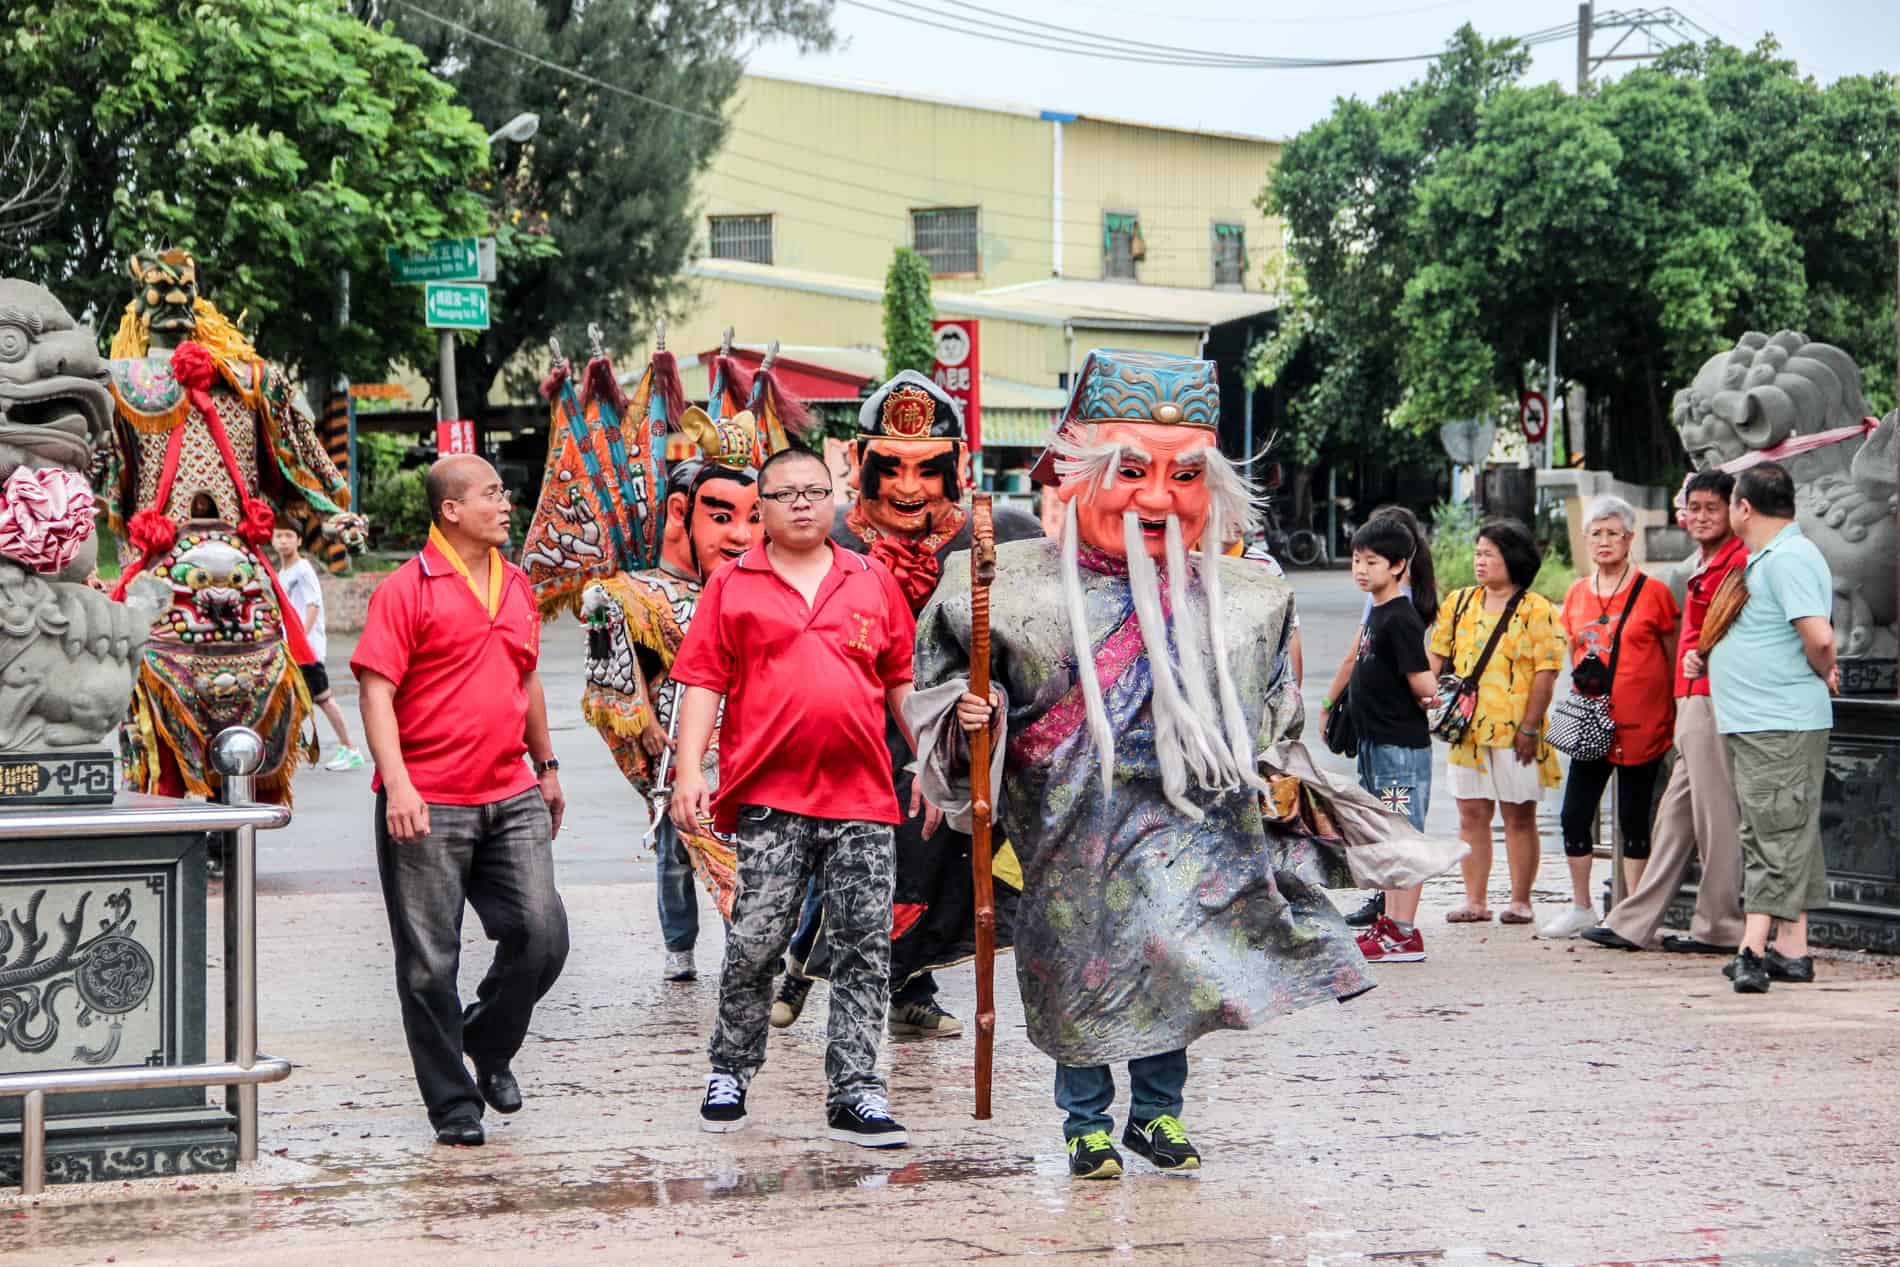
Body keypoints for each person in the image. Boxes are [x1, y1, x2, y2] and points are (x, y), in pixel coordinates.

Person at [909, 349, 1403, 1180]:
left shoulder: (1249, 599)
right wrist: (970, 722)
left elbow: (1276, 717)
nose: (1156, 497)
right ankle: (1085, 1121)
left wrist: (1297, 798)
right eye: (1131, 470)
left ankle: (1158, 1115)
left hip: (1195, 824)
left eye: (1182, 476)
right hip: (1070, 830)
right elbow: (943, 696)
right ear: (1080, 477)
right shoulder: (1003, 590)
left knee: (1182, 960)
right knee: (1079, 969)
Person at [669, 446, 923, 1147]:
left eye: (817, 490)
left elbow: (901, 682)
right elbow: (702, 683)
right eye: (786, 494)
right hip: (771, 797)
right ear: (764, 507)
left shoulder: (871, 579)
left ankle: (856, 1090)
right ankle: (731, 1066)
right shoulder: (733, 584)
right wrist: (689, 769)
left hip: (863, 797)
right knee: (756, 941)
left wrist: (934, 763)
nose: (804, 503)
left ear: (836, 497)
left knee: (865, 946)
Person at [802, 371, 1040, 1041]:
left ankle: (911, 986)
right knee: (854, 862)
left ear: (958, 465)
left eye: (928, 469)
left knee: (940, 867)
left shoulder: (1001, 536)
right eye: (890, 467)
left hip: (958, 741)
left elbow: (1036, 643)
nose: (908, 487)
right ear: (856, 462)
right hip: (853, 739)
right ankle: (803, 961)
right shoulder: (825, 543)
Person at [351, 455, 569, 1147]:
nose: (507, 503)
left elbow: (526, 676)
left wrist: (548, 762)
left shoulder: (516, 585)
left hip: (511, 790)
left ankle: (486, 1038)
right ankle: (453, 1104)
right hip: (427, 801)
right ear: (451, 510)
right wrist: (400, 784)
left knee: (543, 933)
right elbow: (376, 690)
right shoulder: (405, 589)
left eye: (506, 490)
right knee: (428, 964)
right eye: (492, 494)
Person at [572, 405, 769, 984]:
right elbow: (611, 677)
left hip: (747, 740)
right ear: (682, 514)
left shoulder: (757, 583)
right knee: (678, 856)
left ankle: (749, 945)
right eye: (723, 517)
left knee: (750, 849)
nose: (740, 535)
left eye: (752, 518)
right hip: (677, 746)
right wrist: (645, 726)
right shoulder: (632, 594)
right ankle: (681, 945)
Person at [1584, 470, 1747, 953]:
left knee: (1714, 816)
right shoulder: (1705, 560)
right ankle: (1634, 920)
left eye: (1710, 508)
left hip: (1715, 695)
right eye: (1692, 508)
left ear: (1735, 511)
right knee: (1674, 817)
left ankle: (1720, 925)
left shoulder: (1737, 562)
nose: (1699, 517)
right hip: (1691, 696)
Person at [1707, 462, 1837, 993]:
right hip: (1763, 720)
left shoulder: (1788, 560)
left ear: (1743, 508)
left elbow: (1821, 638)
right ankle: (1793, 949)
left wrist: (1817, 667)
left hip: (1778, 721)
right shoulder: (1772, 558)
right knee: (1784, 828)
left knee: (1773, 834)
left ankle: (1752, 950)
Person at [1541, 496, 1681, 939]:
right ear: (1585, 540)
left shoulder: (1653, 591)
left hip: (1645, 720)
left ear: (1629, 538)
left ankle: (1634, 915)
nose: (1603, 542)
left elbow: (1673, 652)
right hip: (1593, 722)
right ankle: (1581, 905)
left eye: (1612, 533)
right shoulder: (1578, 593)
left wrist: (1678, 708)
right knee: (1574, 813)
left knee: (1635, 817)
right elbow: (1574, 651)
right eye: (1595, 533)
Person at [1429, 518, 1565, 926]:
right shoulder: (1459, 602)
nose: (1480, 560)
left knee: (1518, 814)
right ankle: (1475, 900)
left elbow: (1547, 671)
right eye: (1478, 552)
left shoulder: (1536, 610)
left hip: (1515, 730)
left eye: (1489, 553)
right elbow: (1437, 655)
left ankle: (1521, 900)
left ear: (1513, 558)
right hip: (1467, 731)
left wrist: (1529, 726)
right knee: (1471, 813)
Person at [1321, 506, 1438, 928]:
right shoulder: (1378, 612)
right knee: (1384, 835)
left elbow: (1423, 682)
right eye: (1356, 560)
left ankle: (1402, 931)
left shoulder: (1402, 618)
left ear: (1399, 565)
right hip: (1376, 745)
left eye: (1371, 562)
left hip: (1400, 750)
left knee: (1402, 836)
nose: (1360, 569)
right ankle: (1389, 923)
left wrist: (1431, 696)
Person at [273, 518, 366, 771]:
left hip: (307, 649)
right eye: (279, 536)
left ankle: (350, 748)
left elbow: (313, 604)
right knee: (293, 698)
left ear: (299, 541)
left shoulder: (303, 569)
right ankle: (289, 748)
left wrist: (300, 639)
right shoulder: (283, 573)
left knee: (323, 698)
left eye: (288, 536)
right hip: (292, 648)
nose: (283, 541)